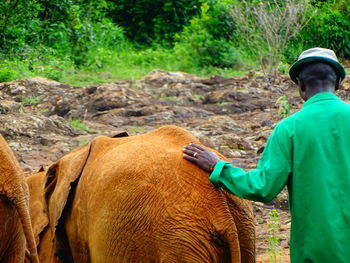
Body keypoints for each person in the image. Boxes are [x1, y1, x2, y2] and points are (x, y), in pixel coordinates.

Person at [182, 47, 350, 262]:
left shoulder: (289, 129)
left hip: (318, 251)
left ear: (300, 84)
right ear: (337, 82)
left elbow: (263, 187)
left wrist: (218, 167)